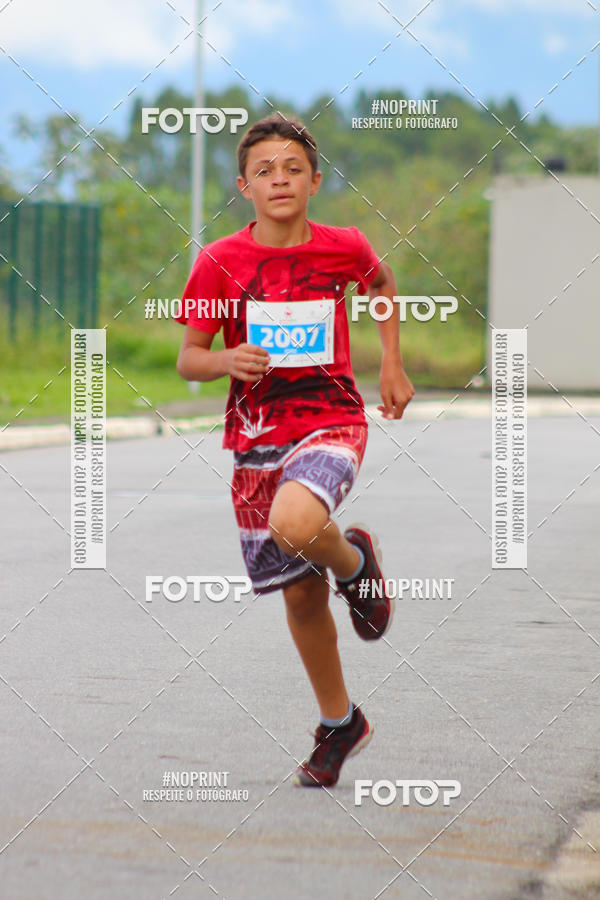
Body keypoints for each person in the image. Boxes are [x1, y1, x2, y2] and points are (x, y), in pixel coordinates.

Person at [176, 115, 414, 787]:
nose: (278, 178)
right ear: (244, 187)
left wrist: (390, 366)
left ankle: (354, 558)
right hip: (256, 437)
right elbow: (189, 359)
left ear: (314, 179)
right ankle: (341, 723)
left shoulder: (344, 246)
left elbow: (382, 285)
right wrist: (225, 357)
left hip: (331, 418)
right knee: (301, 599)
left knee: (298, 524)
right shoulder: (220, 261)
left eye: (291, 168)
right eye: (264, 170)